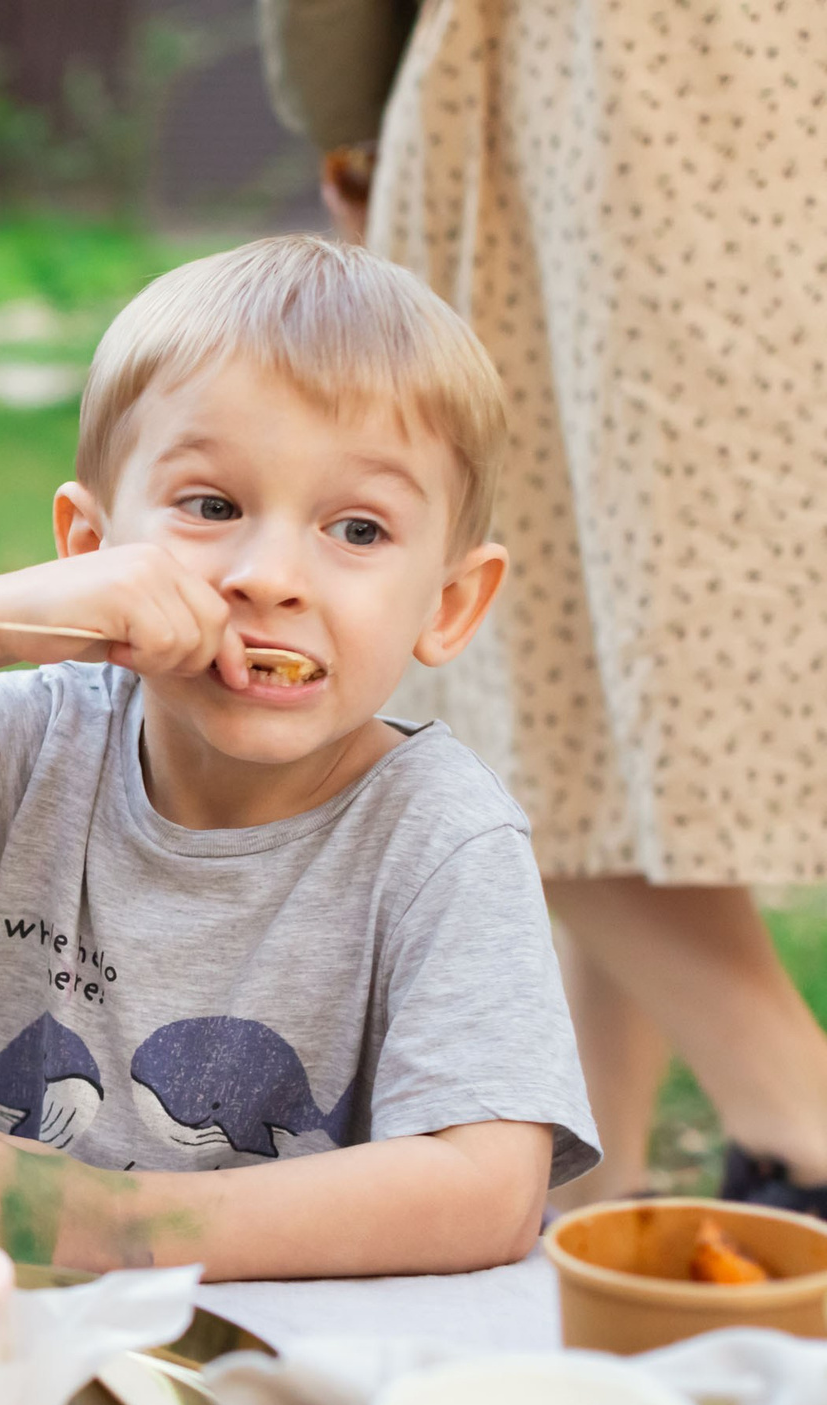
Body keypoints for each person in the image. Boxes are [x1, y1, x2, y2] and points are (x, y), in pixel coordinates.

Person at [0, 236, 600, 1281]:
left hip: (278, 1359)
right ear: (89, 548)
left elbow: (489, 1192)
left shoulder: (441, 838)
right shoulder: (44, 741)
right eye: (212, 507)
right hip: (16, 1332)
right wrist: (2, 617)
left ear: (450, 603)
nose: (269, 576)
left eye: (356, 528)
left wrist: (104, 1220)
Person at [262, 0, 827, 1211]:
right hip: (766, 88)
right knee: (592, 637)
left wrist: (349, 115)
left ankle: (797, 1115)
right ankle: (581, 1210)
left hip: (599, 82)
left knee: (521, 666)